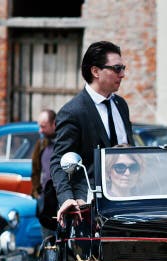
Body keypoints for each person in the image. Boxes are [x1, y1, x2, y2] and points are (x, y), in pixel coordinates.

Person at [50, 41, 132, 227]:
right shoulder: (73, 112)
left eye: (123, 68)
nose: (123, 74)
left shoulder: (121, 106)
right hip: (90, 209)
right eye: (117, 68)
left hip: (125, 205)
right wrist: (67, 199)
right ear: (96, 71)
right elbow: (59, 161)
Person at [30, 109, 58, 236]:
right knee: (47, 242)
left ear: (54, 124)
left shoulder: (64, 143)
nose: (40, 130)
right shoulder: (41, 144)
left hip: (60, 200)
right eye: (39, 126)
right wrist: (37, 192)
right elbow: (35, 170)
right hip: (46, 203)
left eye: (43, 127)